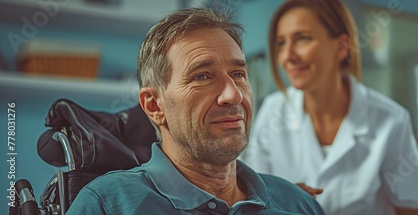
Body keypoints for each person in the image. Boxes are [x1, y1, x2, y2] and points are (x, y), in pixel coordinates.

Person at [66, 7, 325, 215]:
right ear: (154, 105)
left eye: (238, 74)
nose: (233, 94)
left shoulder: (298, 204)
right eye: (202, 76)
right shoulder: (107, 204)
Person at [241, 0, 418, 214]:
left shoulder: (391, 121)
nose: (287, 56)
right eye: (281, 43)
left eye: (303, 38)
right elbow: (255, 200)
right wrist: (286, 195)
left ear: (341, 47)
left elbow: (412, 210)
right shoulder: (273, 111)